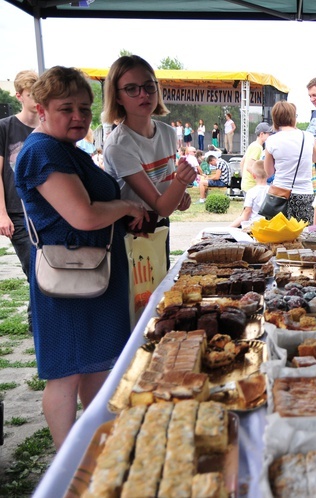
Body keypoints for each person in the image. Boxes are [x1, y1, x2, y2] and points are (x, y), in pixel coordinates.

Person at [14, 66, 148, 450]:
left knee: (96, 365)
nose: (78, 117)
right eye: (66, 108)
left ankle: (94, 446)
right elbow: (84, 215)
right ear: (41, 109)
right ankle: (68, 459)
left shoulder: (65, 149)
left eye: (85, 109)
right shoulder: (42, 152)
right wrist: (125, 206)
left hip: (94, 275)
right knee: (66, 375)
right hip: (69, 281)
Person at [102, 55, 196, 271]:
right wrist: (181, 182)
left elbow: (165, 192)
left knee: (158, 291)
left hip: (160, 226)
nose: (143, 94)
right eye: (132, 89)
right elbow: (161, 204)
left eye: (148, 86)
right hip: (131, 233)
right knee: (139, 300)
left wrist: (180, 195)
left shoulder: (167, 132)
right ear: (117, 97)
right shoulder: (119, 145)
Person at [0, 70, 39, 332]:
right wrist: (1, 214)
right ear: (19, 96)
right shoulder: (5, 127)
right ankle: (36, 323)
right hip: (16, 211)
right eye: (30, 94)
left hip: (45, 209)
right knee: (34, 270)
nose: (36, 99)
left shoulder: (47, 125)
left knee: (46, 268)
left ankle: (38, 320)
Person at [264, 101, 316, 224]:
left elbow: (269, 172)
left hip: (279, 195)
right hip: (305, 193)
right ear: (293, 117)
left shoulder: (271, 140)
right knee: (303, 236)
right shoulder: (308, 137)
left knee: (278, 236)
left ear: (275, 118)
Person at [229, 160, 268, 228]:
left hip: (254, 226)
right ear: (268, 174)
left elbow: (246, 213)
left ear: (253, 175)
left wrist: (230, 228)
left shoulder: (251, 192)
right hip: (268, 226)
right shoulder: (272, 191)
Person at [241, 122, 273, 193]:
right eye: (268, 134)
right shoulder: (257, 147)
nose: (270, 136)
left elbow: (242, 162)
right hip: (251, 186)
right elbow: (249, 167)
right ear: (262, 134)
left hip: (246, 184)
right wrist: (261, 179)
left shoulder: (253, 145)